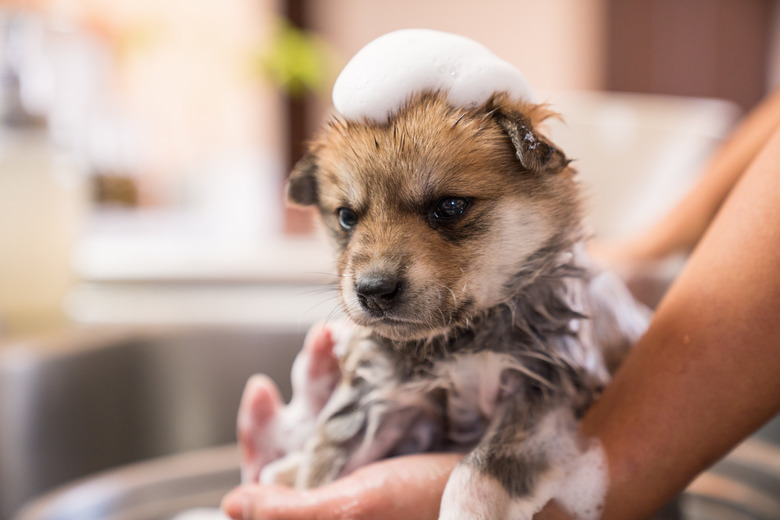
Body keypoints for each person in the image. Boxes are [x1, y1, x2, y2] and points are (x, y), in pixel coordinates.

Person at [221, 88, 780, 520]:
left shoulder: (566, 318)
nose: (372, 271)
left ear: (541, 175)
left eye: (448, 209)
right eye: (349, 217)